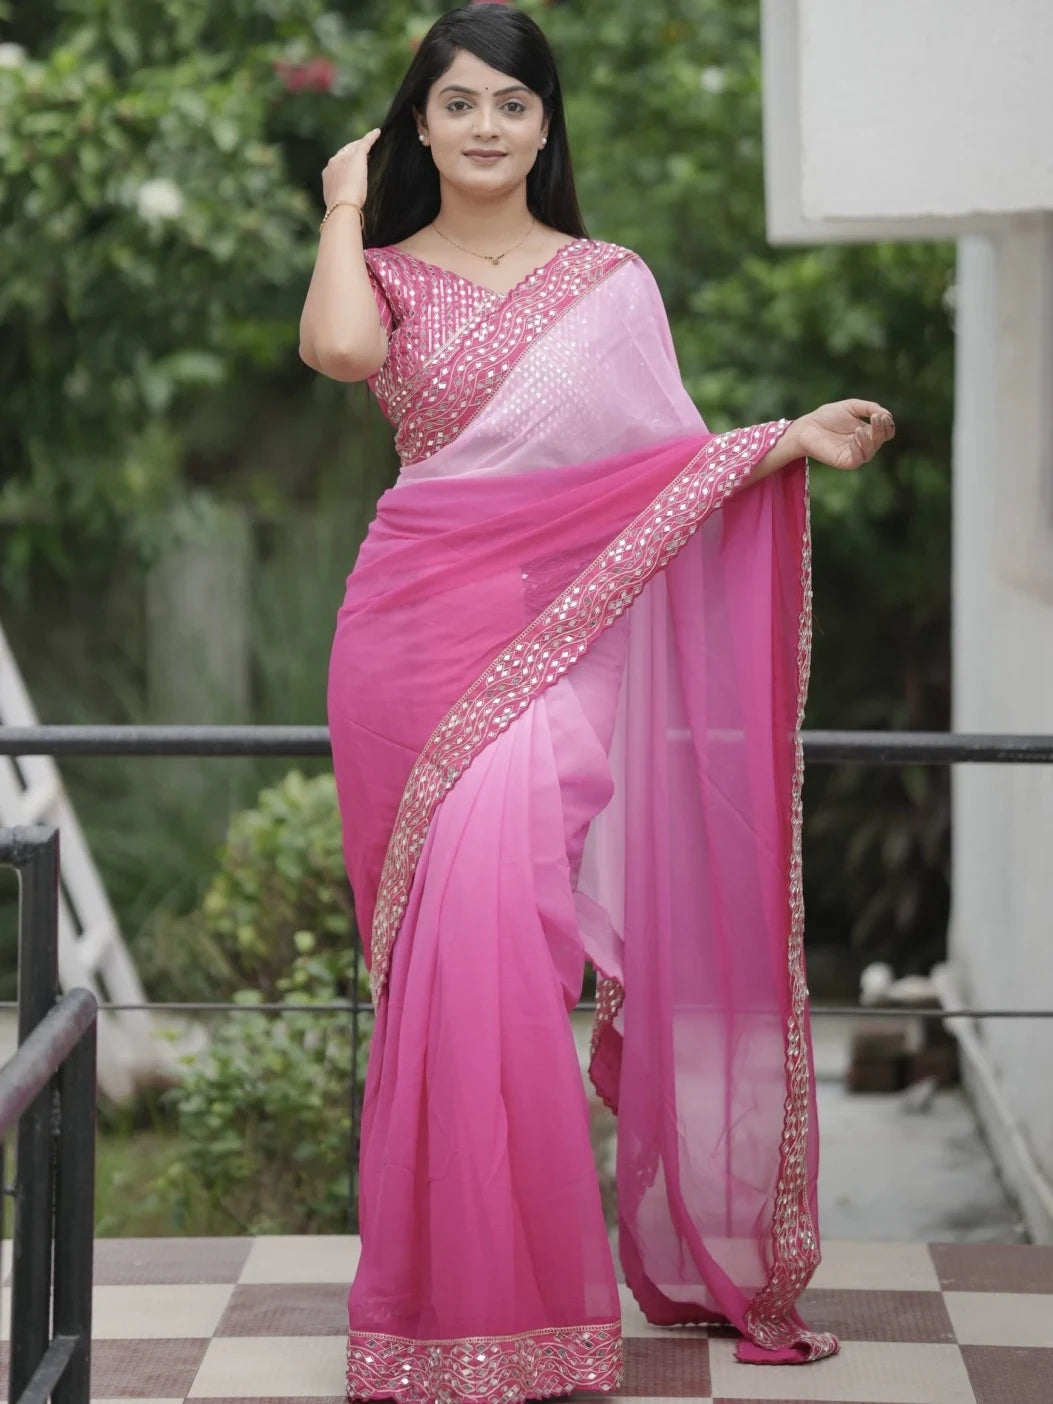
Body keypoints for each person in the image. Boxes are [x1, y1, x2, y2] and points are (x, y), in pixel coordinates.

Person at [300, 5, 894, 1401]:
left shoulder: (608, 282)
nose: (485, 126)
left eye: (512, 103)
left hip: (555, 647)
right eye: (457, 102)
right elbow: (338, 353)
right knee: (430, 969)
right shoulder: (381, 271)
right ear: (418, 121)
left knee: (503, 939)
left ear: (545, 125)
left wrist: (784, 440)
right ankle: (438, 1317)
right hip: (404, 638)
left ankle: (525, 1315)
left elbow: (661, 470)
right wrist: (341, 203)